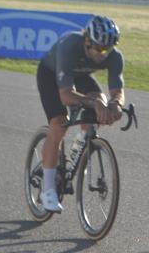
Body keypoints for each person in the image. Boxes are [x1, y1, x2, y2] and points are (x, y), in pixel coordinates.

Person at [35, 15, 125, 212]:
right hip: (51, 75)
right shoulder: (70, 46)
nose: (104, 54)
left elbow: (117, 91)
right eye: (100, 48)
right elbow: (66, 95)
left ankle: (80, 144)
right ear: (87, 40)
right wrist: (92, 102)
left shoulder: (114, 56)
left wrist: (116, 105)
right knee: (59, 125)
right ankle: (48, 189)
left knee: (98, 109)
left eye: (108, 49)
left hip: (81, 76)